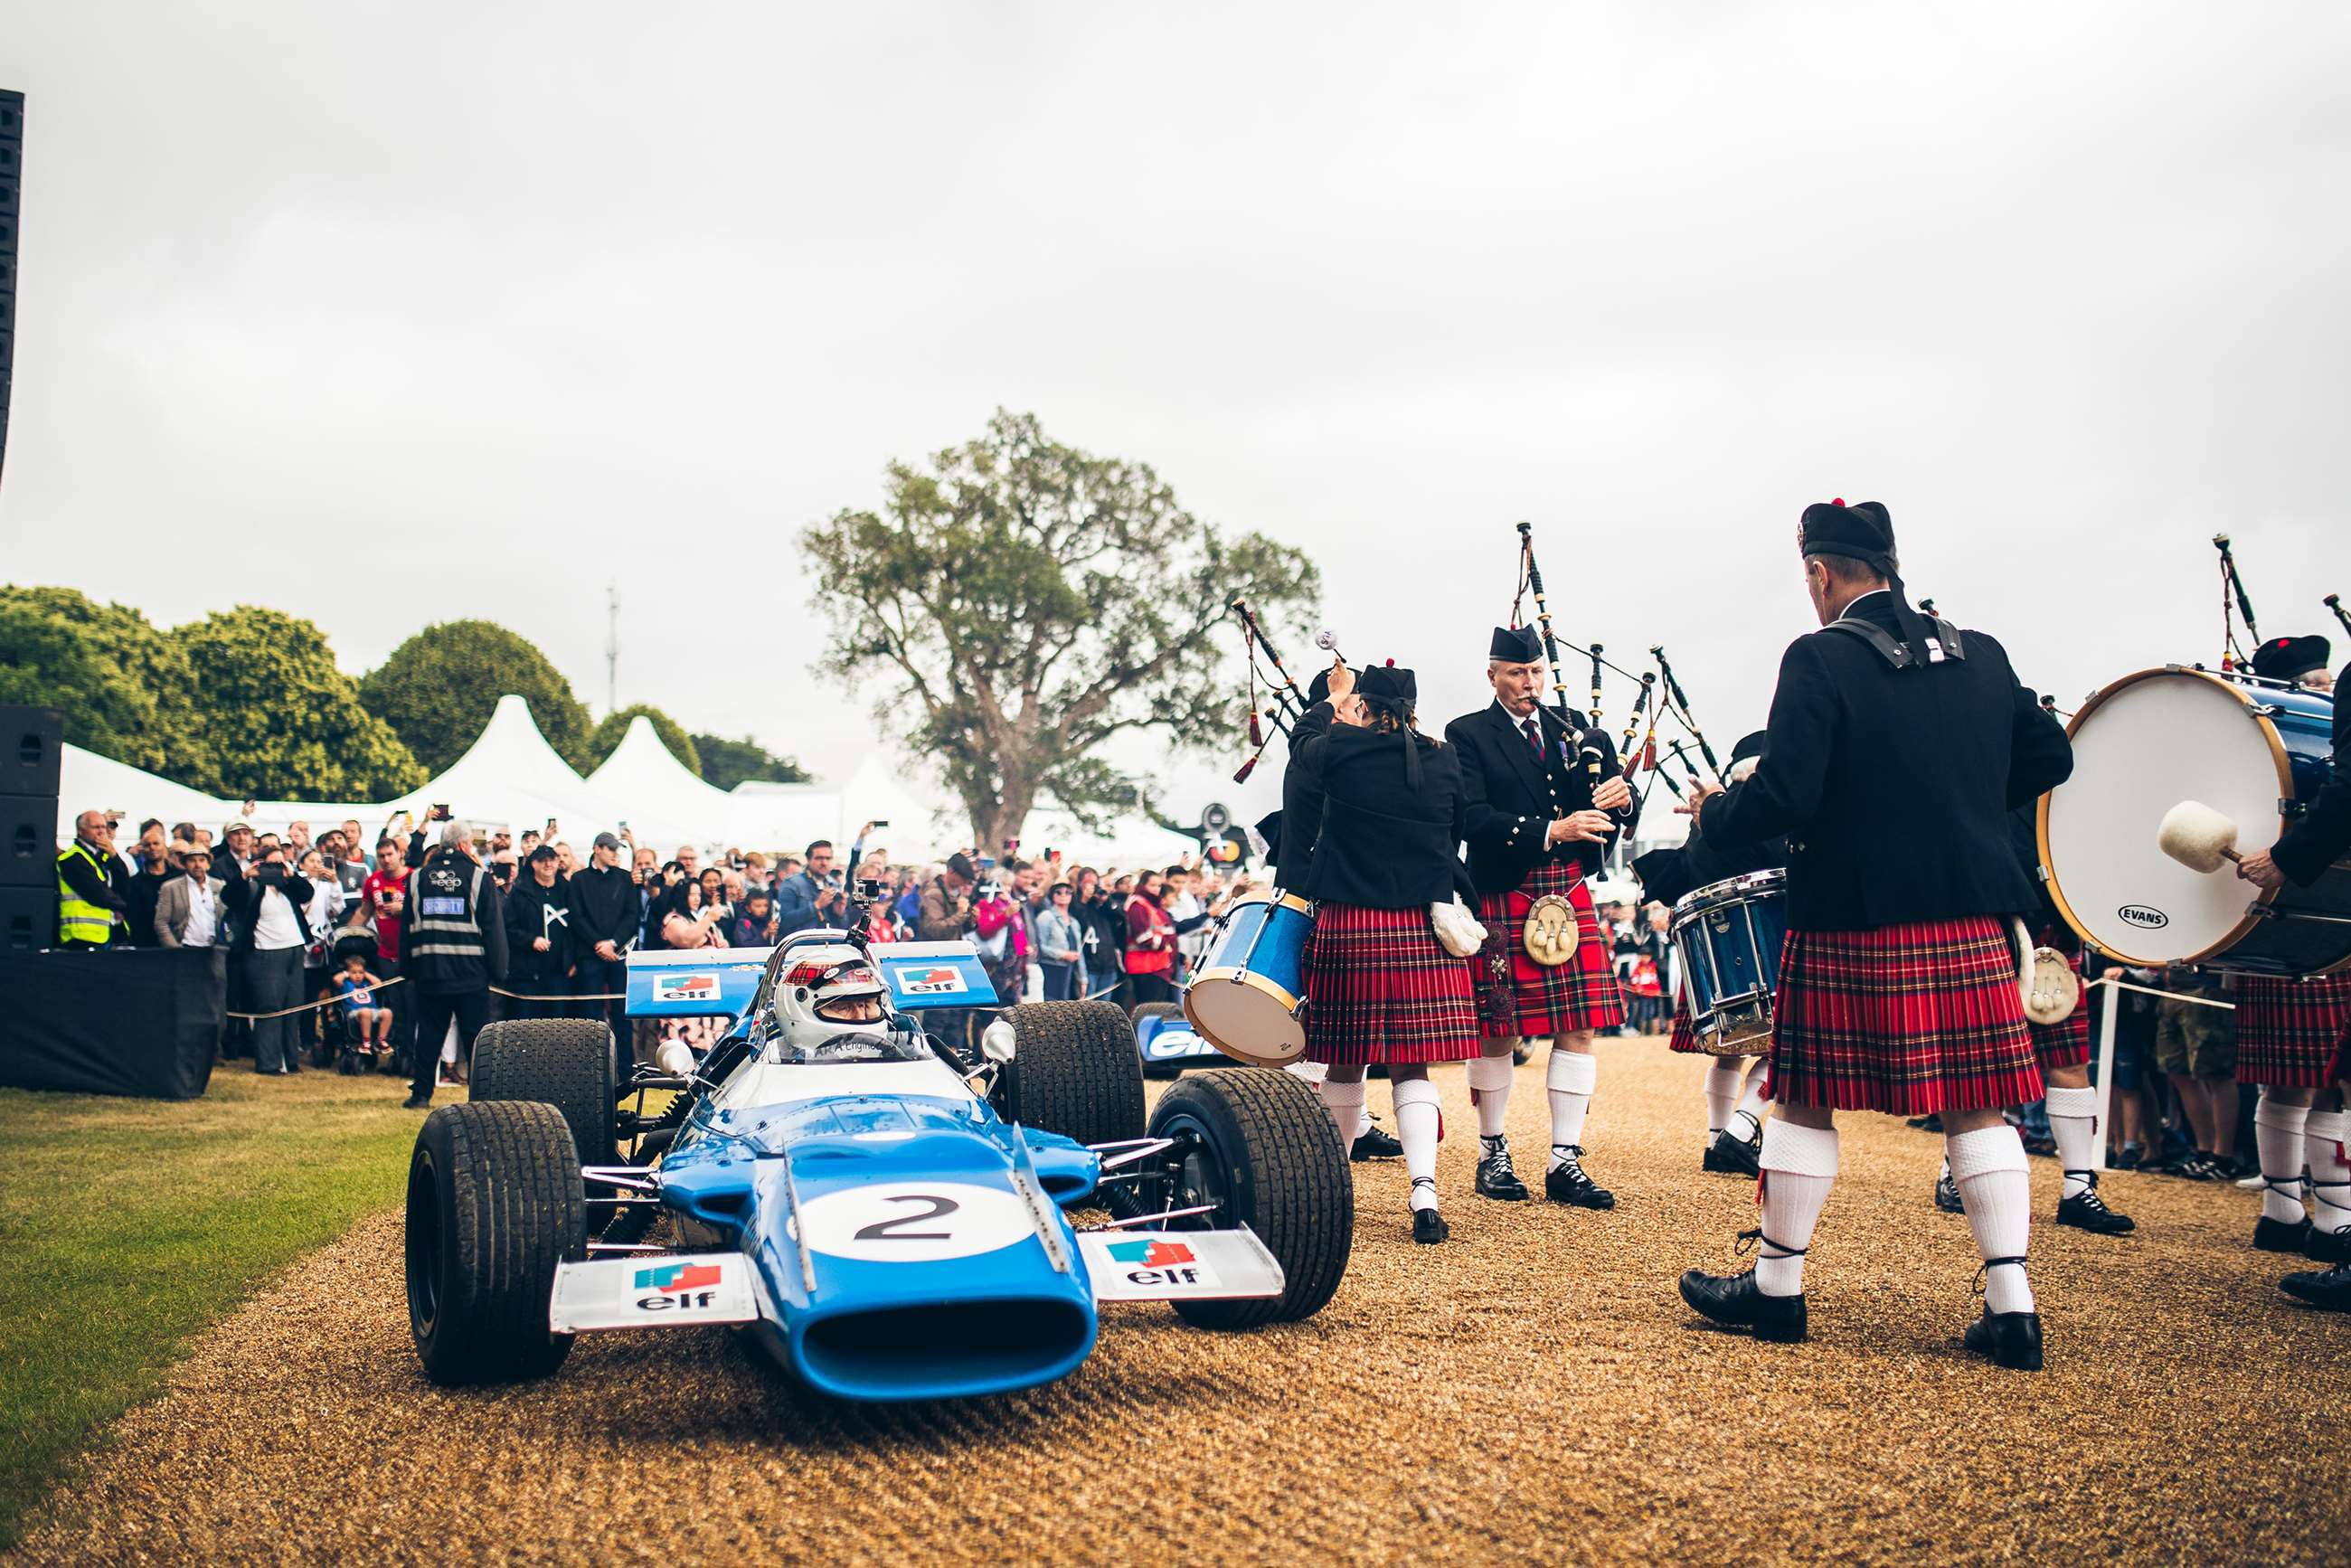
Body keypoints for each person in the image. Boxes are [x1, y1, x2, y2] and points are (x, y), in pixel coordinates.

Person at [1674, 499, 2072, 1371]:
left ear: (1820, 572)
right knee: (1979, 1100)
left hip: (1854, 913)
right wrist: (1958, 798)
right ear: (1889, 564)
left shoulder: (1818, 657)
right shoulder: (1982, 651)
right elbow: (2053, 759)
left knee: (1803, 1098)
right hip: (1969, 912)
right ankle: (2013, 1307)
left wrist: (1714, 813)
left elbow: (1784, 795)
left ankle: (1778, 1290)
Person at [1444, 625, 1632, 1211]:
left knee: (1578, 1027)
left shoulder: (1573, 728)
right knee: (1498, 1027)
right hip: (1505, 889)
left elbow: (1608, 798)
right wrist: (1552, 830)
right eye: (1517, 673)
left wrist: (1624, 800)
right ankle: (1492, 1151)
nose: (1530, 684)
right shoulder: (1468, 734)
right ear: (1493, 675)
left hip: (1566, 889)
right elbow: (1470, 817)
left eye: (1536, 673)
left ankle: (1564, 1161)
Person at [1296, 661, 1483, 1243]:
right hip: (1417, 926)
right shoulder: (1442, 757)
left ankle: (1333, 1189)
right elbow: (1453, 833)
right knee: (1411, 1064)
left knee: (1345, 1061)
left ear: (1369, 708)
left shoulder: (1343, 750)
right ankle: (1425, 1194)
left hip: (1350, 923)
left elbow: (1303, 749)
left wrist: (1333, 703)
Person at [1929, 806, 2136, 1235]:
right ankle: (1956, 1172)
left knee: (2070, 1063)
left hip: (2055, 935)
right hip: (1990, 928)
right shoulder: (1981, 771)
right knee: (1984, 1063)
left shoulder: (2067, 795)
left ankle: (2079, 1188)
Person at [2228, 633, 2351, 1307]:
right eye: (2313, 680)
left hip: (2327, 911)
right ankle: (2285, 1212)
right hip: (2293, 909)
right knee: (2295, 1079)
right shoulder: (2254, 744)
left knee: (2329, 1083)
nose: (2324, 688)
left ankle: (2329, 1221)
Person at [1630, 731, 1785, 1177]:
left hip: (1715, 970)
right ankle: (1740, 1130)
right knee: (1787, 1045)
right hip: (1767, 954)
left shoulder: (1706, 824)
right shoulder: (1760, 820)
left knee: (1729, 1050)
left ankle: (1718, 1137)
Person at [401, 818, 508, 1109]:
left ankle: (421, 1093)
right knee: (476, 1038)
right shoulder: (478, 878)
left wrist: (407, 970)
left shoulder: (417, 878)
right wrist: (499, 971)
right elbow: (493, 930)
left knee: (429, 1034)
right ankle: (483, 1097)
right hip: (470, 974)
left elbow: (407, 929)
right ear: (464, 845)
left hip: (429, 972)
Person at [224, 843, 317, 1074]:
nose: (274, 869)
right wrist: (246, 875)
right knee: (270, 1007)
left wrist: (290, 875)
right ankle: (269, 1062)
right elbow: (229, 897)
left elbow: (307, 894)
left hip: (294, 948)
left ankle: (290, 1059)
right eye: (270, 864)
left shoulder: (288, 886)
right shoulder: (253, 887)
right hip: (264, 951)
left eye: (279, 863)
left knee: (293, 1006)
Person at [502, 845, 572, 1019]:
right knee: (526, 1022)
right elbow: (508, 927)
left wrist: (572, 960)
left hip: (559, 971)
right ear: (533, 863)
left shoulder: (568, 891)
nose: (548, 864)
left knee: (558, 1023)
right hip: (528, 971)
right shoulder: (520, 893)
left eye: (552, 859)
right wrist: (531, 940)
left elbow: (576, 928)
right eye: (542, 860)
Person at [56, 809, 131, 949]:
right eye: (96, 827)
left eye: (104, 827)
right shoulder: (72, 858)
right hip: (80, 935)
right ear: (81, 831)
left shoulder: (103, 857)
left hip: (104, 933)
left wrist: (114, 855)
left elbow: (125, 885)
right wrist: (126, 905)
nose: (102, 832)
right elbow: (99, 893)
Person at [1123, 869, 1179, 1006]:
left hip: (1158, 965)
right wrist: (1164, 945)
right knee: (1149, 1008)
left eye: (1159, 886)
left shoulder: (1152, 905)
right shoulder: (1138, 905)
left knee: (1157, 1008)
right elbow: (1142, 936)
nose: (1156, 889)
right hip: (1146, 967)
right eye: (1152, 885)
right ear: (1143, 885)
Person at [152, 842, 220, 949]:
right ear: (184, 864)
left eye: (202, 860)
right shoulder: (170, 888)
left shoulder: (219, 886)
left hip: (213, 950)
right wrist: (175, 949)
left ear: (208, 864)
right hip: (184, 949)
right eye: (192, 860)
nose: (197, 865)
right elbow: (161, 922)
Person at [777, 839, 852, 933]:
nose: (824, 863)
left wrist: (840, 914)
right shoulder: (792, 883)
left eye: (828, 858)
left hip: (830, 943)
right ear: (808, 860)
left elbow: (844, 927)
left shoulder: (834, 884)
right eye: (819, 858)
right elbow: (784, 921)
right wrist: (816, 905)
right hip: (803, 944)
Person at [337, 949, 395, 1056]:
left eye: (360, 972)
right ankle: (366, 1042)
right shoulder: (346, 983)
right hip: (354, 1013)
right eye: (354, 973)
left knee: (387, 1012)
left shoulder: (367, 983)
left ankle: (381, 1040)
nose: (358, 976)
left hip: (372, 1011)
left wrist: (366, 974)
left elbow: (379, 984)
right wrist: (346, 973)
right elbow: (336, 980)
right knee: (366, 1012)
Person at [1035, 881, 1084, 1000]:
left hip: (1070, 971)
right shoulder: (1046, 916)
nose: (1063, 895)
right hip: (1051, 969)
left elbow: (1079, 953)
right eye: (1059, 892)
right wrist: (1063, 955)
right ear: (1052, 895)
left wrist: (1083, 978)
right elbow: (1039, 947)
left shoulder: (1074, 922)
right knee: (1050, 1008)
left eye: (1068, 892)